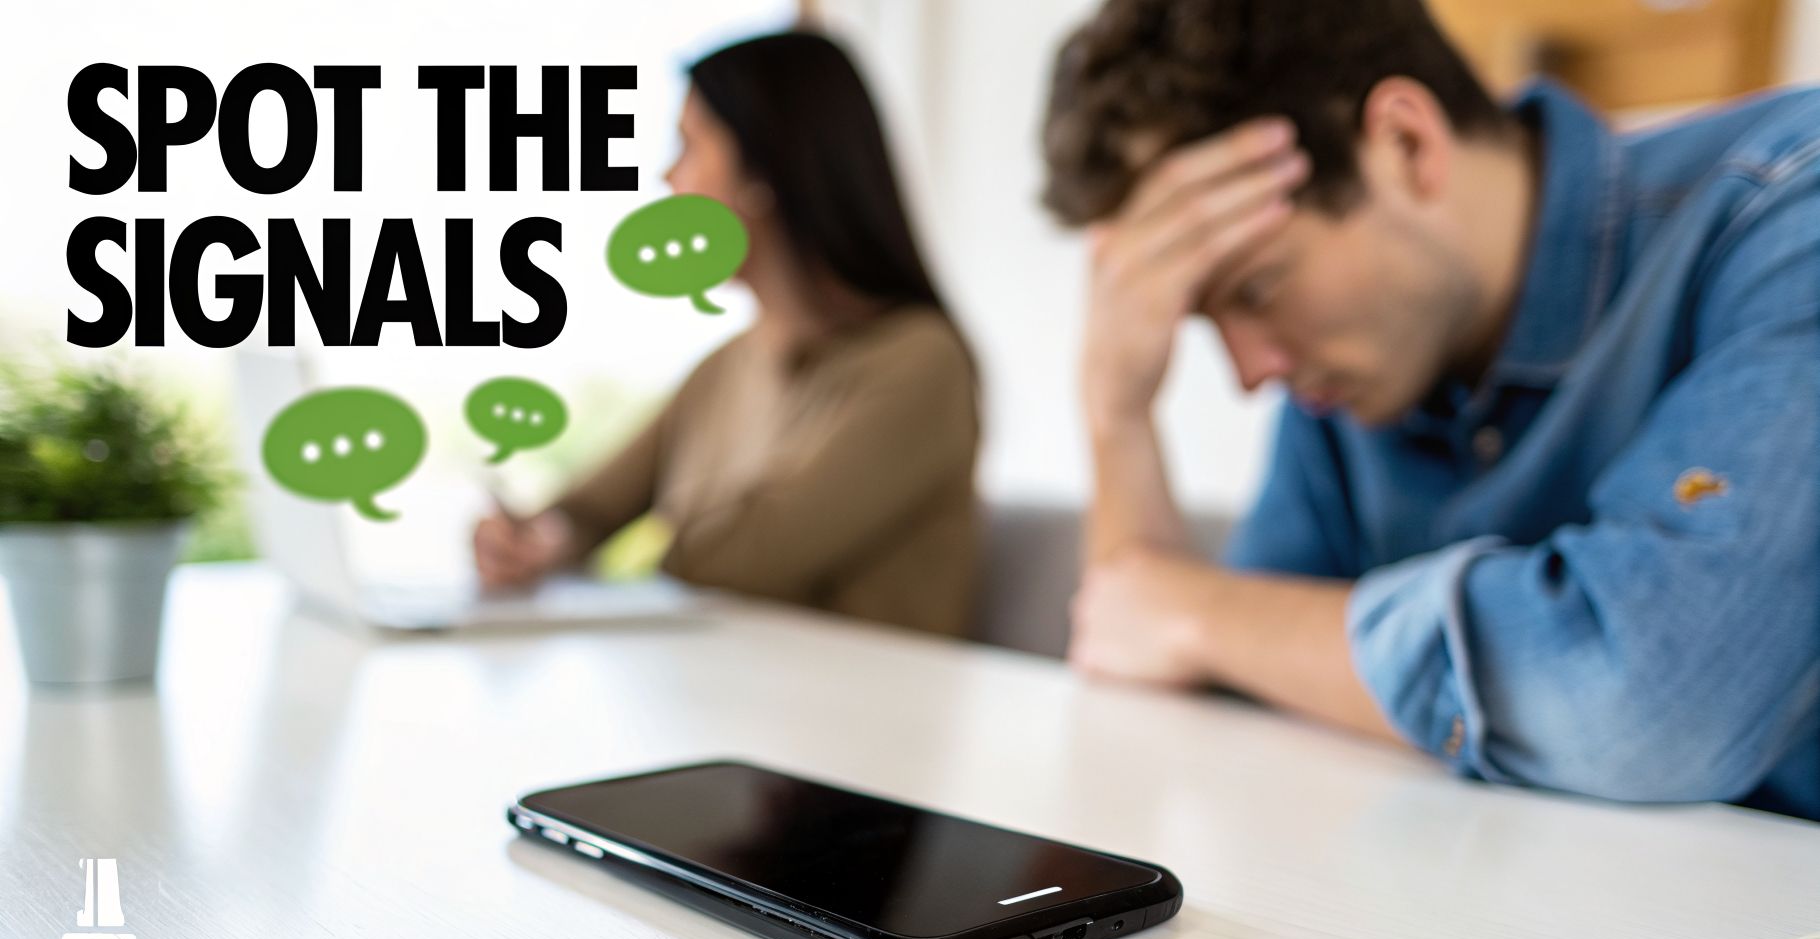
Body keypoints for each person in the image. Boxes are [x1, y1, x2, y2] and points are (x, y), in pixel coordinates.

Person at [1040, 0, 1819, 818]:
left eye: (1257, 288)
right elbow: (1178, 663)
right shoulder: (1353, 375)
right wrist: (1118, 414)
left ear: (1407, 145)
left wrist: (1205, 615)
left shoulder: (1785, 209)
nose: (1250, 370)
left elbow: (1651, 709)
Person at [475, 31, 980, 637]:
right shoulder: (725, 367)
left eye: (689, 145)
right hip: (724, 703)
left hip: (856, 720)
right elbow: (586, 510)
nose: (666, 176)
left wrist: (655, 546)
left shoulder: (923, 363)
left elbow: (738, 563)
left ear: (765, 170)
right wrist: (537, 541)